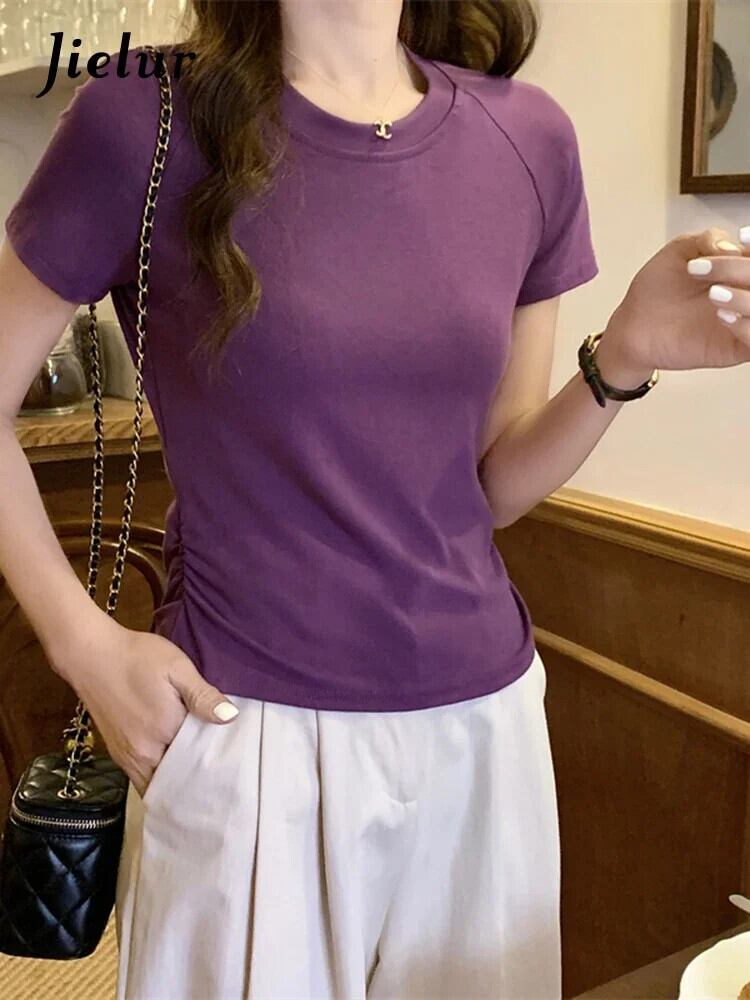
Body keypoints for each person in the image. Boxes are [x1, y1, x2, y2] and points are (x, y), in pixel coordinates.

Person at [1, 2, 749, 998]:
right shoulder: (142, 115)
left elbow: (494, 485)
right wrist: (84, 647)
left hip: (482, 732)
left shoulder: (527, 137)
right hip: (246, 733)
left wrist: (622, 358)